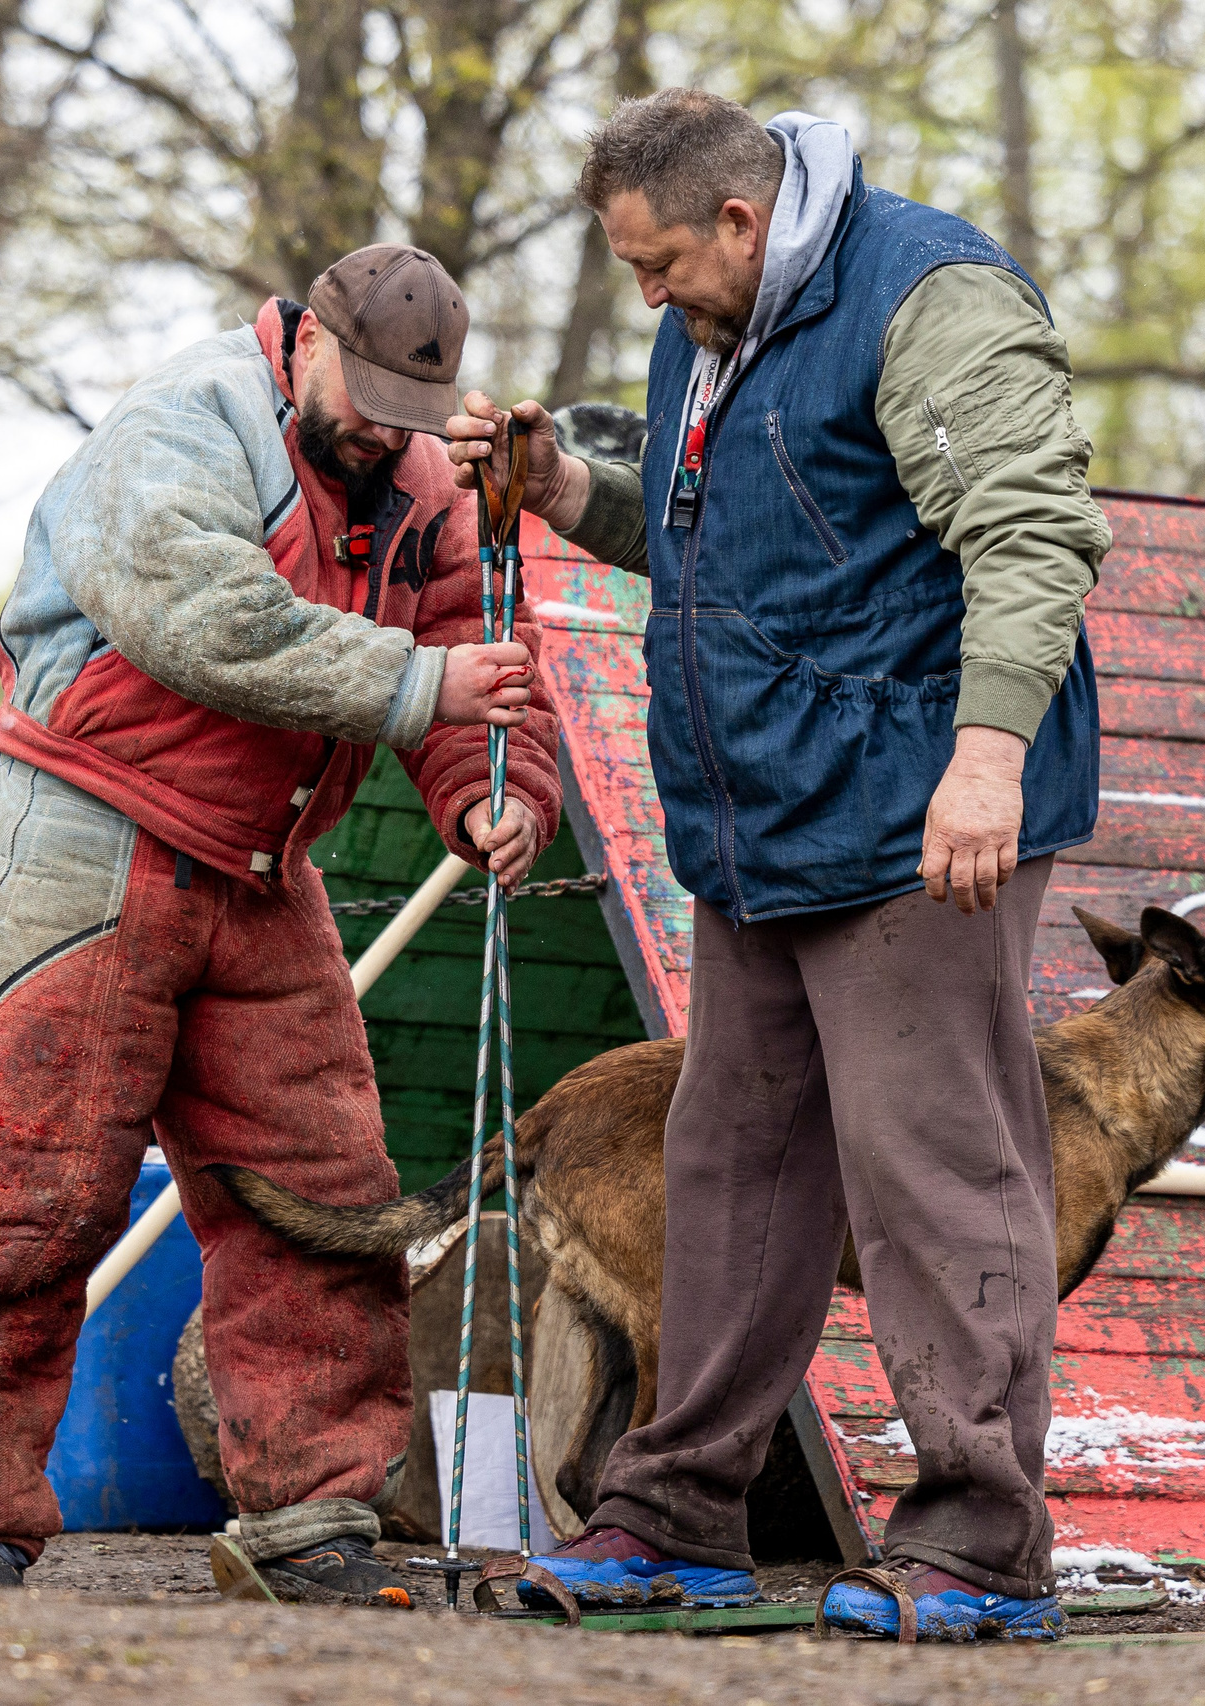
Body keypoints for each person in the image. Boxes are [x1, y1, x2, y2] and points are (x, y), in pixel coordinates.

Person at [449, 90, 1109, 1641]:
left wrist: (987, 759)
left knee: (931, 1163)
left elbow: (1033, 536)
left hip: (920, 814)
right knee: (730, 1162)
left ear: (742, 220)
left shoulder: (930, 297)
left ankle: (983, 1537)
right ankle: (678, 1510)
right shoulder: (710, 327)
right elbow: (734, 554)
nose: (646, 295)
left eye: (660, 262)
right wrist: (569, 494)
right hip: (762, 823)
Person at [0, 244, 563, 1601]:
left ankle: (315, 1511)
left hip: (264, 866)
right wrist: (424, 688)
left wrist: (496, 791)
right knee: (35, 1185)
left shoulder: (423, 481)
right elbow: (204, 617)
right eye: (366, 395)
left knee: (324, 1191)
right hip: (82, 830)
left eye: (412, 412)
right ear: (304, 340)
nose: (384, 431)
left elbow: (478, 648)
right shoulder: (179, 422)